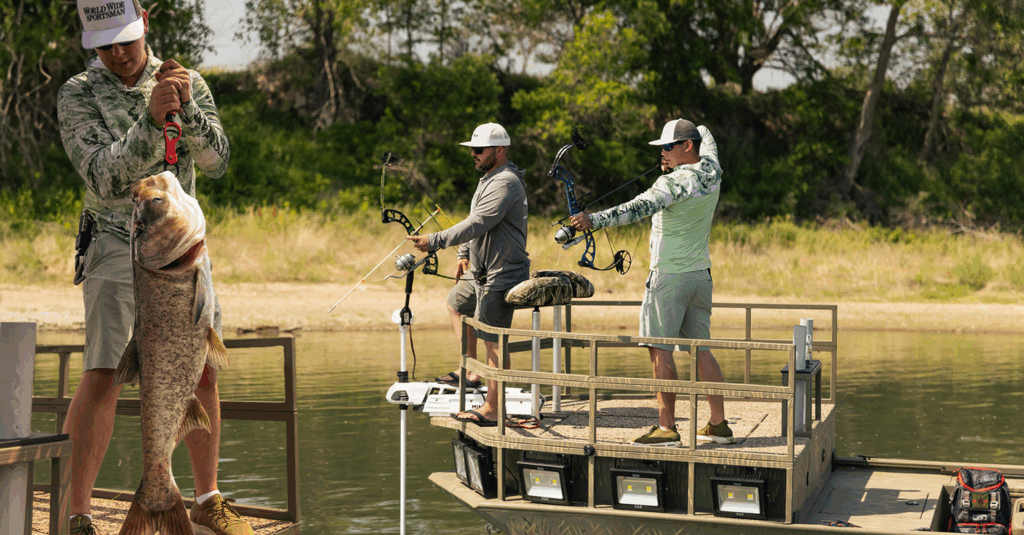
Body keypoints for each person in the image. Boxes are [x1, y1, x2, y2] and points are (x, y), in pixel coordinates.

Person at [57, 1, 251, 533]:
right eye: (104, 44)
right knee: (103, 372)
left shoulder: (188, 82)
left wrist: (185, 108)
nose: (117, 53)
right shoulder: (77, 94)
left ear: (144, 22)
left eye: (125, 38)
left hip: (182, 249)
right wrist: (149, 120)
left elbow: (218, 161)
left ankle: (208, 499)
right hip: (115, 244)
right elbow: (102, 176)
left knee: (202, 365)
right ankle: (79, 513)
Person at [570, 119, 732, 446]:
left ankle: (667, 428)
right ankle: (719, 425)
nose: (663, 153)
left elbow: (635, 208)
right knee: (701, 350)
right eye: (661, 147)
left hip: (668, 279)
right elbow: (707, 134)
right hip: (700, 277)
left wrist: (592, 220)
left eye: (669, 146)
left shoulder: (670, 185)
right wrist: (689, 135)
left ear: (688, 146)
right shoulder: (712, 170)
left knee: (659, 349)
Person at [406, 122, 530, 426]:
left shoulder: (507, 182)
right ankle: (470, 371)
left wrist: (434, 241)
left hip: (502, 274)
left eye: (479, 150)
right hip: (479, 271)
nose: (473, 154)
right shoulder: (488, 178)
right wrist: (463, 255)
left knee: (494, 342)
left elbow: (478, 222)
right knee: (455, 304)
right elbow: (478, 223)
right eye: (471, 149)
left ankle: (493, 408)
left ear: (498, 151)